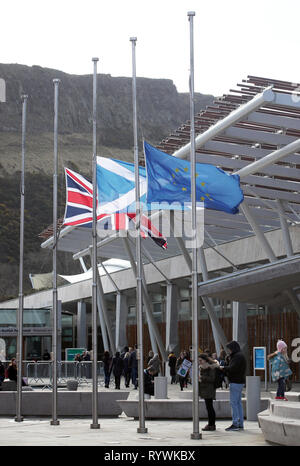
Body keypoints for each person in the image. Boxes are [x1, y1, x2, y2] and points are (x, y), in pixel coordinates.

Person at [220, 340, 247, 431]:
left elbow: (232, 368)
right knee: (238, 403)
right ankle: (240, 423)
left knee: (233, 403)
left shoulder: (237, 356)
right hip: (239, 382)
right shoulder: (239, 355)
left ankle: (235, 423)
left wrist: (223, 368)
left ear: (233, 348)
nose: (229, 351)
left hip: (235, 381)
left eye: (229, 349)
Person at [198, 353, 218, 431]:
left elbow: (212, 379)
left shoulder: (211, 367)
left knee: (210, 407)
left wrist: (202, 378)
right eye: (199, 360)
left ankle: (211, 424)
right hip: (205, 389)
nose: (199, 362)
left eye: (200, 360)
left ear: (205, 360)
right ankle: (211, 424)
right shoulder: (202, 367)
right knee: (209, 407)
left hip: (209, 389)